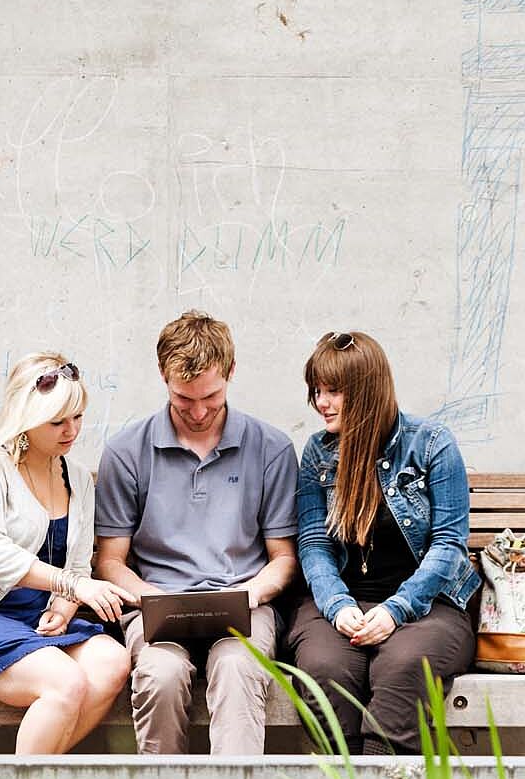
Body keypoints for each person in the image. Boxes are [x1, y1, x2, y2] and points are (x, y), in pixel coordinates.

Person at [93, 311, 299, 755]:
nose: (199, 411)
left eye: (212, 396)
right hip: (157, 604)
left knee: (239, 669)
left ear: (231, 372)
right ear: (163, 377)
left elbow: (283, 557)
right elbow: (109, 560)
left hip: (244, 604)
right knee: (160, 676)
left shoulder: (272, 448)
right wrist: (149, 598)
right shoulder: (126, 451)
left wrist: (251, 594)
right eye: (183, 399)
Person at [0, 352, 133, 755]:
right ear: (24, 417)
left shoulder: (77, 479)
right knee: (65, 681)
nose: (71, 430)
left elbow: (76, 562)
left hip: (31, 620)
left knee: (111, 662)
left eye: (77, 416)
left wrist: (64, 605)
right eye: (57, 421)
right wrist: (74, 586)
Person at [288, 331, 481, 755]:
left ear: (367, 391)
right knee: (325, 667)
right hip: (342, 604)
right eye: (317, 390)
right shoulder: (318, 454)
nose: (322, 402)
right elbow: (314, 544)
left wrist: (397, 610)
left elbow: (449, 544)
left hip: (428, 607)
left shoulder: (431, 444)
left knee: (403, 665)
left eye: (334, 391)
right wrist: (338, 606)